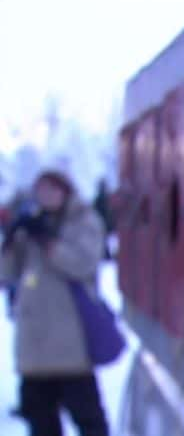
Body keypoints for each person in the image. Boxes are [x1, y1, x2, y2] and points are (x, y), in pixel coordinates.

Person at [0, 170, 109, 436]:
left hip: (71, 345)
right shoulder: (32, 223)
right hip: (33, 347)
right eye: (41, 190)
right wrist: (11, 242)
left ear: (65, 191)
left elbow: (83, 263)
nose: (46, 196)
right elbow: (7, 274)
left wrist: (49, 242)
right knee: (41, 424)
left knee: (89, 421)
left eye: (52, 190)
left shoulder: (83, 221)